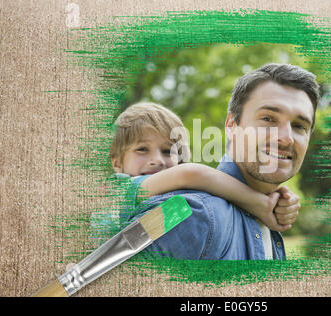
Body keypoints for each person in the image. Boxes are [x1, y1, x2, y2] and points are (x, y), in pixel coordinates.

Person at [116, 63, 319, 260]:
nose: (286, 138)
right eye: (268, 119)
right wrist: (260, 202)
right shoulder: (190, 213)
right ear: (231, 125)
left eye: (299, 126)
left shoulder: (268, 223)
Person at [108, 101, 299, 236]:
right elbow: (194, 174)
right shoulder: (121, 189)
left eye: (167, 151)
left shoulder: (178, 197)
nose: (156, 160)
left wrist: (275, 196)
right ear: (117, 163)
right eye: (142, 149)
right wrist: (261, 203)